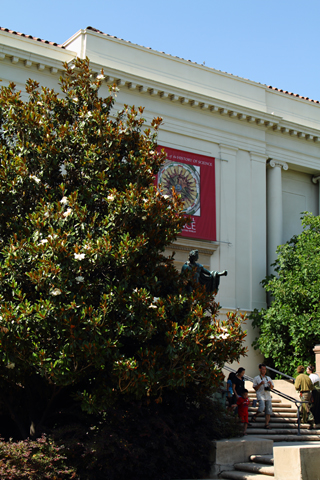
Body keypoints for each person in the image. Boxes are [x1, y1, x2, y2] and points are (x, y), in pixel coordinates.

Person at [251, 363, 274, 429]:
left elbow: (272, 387)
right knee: (261, 407)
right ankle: (255, 415)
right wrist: (260, 384)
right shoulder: (256, 378)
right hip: (260, 394)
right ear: (260, 369)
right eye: (263, 369)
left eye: (265, 369)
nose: (264, 371)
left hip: (267, 395)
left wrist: (270, 384)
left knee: (268, 410)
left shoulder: (268, 378)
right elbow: (255, 388)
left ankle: (266, 424)